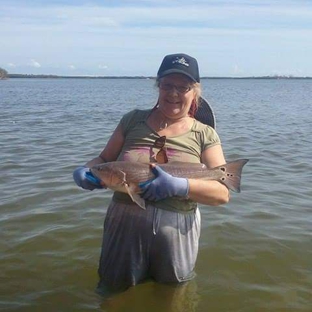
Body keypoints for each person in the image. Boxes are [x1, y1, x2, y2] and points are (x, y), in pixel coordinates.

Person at [73, 53, 229, 293]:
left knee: (172, 296)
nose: (174, 93)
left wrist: (181, 186)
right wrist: (87, 169)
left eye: (183, 87)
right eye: (167, 85)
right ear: (158, 86)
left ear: (194, 91)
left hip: (177, 229)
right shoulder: (132, 120)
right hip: (123, 224)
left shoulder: (204, 133)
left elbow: (222, 193)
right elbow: (104, 159)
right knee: (113, 291)